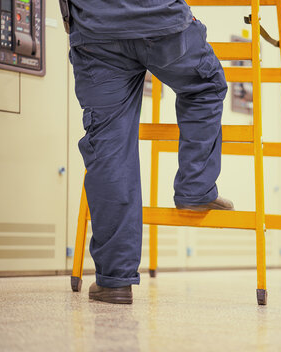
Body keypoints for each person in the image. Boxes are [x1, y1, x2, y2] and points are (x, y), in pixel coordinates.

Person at [64, 0, 234, 305]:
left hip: (95, 29)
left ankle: (114, 280)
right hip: (160, 21)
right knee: (205, 87)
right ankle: (195, 188)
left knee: (108, 143)